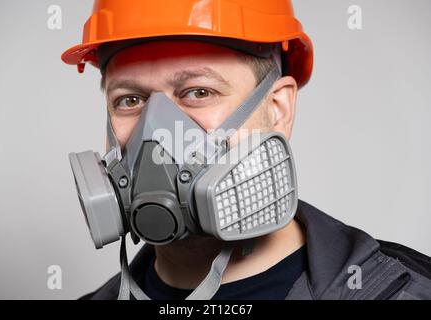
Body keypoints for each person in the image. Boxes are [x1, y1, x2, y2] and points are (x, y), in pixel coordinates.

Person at [62, 0, 431, 300]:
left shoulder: (399, 291)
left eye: (199, 92)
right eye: (130, 99)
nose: (156, 131)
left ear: (278, 109)